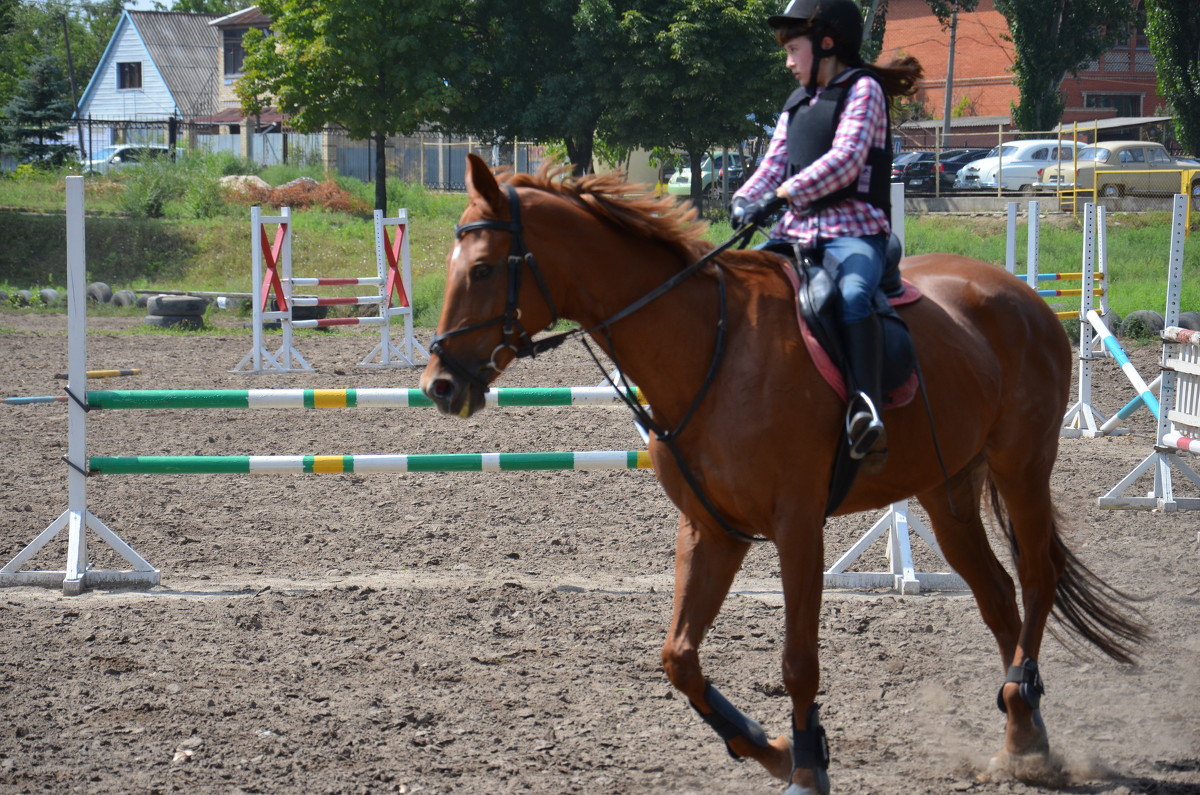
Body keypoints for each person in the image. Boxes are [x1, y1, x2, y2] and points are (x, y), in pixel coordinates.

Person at [730, 0, 922, 469]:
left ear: (827, 43)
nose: (788, 61)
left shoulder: (864, 91)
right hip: (795, 232)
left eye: (794, 49)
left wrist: (781, 194)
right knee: (736, 287)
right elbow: (771, 165)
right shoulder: (796, 103)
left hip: (853, 232)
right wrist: (743, 199)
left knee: (854, 294)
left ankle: (865, 408)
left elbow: (846, 160)